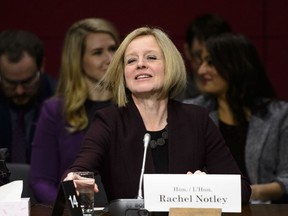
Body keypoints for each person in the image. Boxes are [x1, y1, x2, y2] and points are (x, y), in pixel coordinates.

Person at [63, 27, 251, 204]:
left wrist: (206, 187)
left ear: (170, 66)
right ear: (124, 74)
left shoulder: (197, 119)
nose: (140, 64)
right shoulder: (109, 121)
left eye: (151, 57)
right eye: (131, 60)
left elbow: (241, 190)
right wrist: (75, 179)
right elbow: (80, 170)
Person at [183, 33, 288, 203]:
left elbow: (286, 177)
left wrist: (247, 193)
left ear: (234, 64)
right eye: (201, 62)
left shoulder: (280, 115)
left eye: (210, 62)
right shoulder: (192, 112)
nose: (201, 70)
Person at [30, 18, 120, 204]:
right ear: (77, 59)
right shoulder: (55, 110)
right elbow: (41, 180)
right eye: (98, 53)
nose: (110, 59)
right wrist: (70, 207)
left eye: (113, 49)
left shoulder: (133, 104)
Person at [0, 30, 56, 163]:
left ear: (41, 66)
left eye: (27, 82)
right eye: (10, 83)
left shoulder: (60, 101)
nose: (19, 91)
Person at [178, 13, 231, 100]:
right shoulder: (174, 96)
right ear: (187, 51)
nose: (204, 68)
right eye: (199, 55)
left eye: (212, 58)